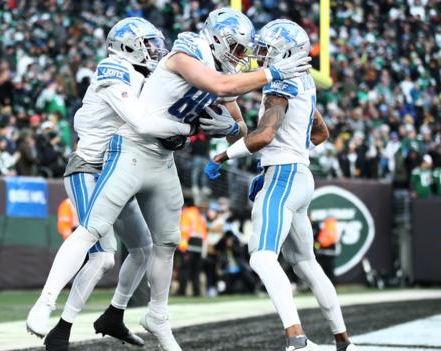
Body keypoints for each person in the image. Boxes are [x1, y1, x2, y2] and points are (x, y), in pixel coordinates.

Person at [87, 8, 309, 351]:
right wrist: (273, 71)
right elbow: (220, 85)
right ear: (218, 39)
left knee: (164, 242)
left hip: (163, 155)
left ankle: (153, 316)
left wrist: (231, 128)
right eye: (236, 48)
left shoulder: (223, 69)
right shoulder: (192, 51)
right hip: (132, 145)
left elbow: (241, 126)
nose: (239, 57)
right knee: (101, 236)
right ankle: (59, 315)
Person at [26, 18, 194, 351]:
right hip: (90, 167)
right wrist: (189, 129)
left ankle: (114, 315)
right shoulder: (112, 69)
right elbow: (143, 123)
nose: (155, 51)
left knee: (144, 249)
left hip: (121, 168)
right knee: (103, 256)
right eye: (148, 44)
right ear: (127, 46)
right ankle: (54, 318)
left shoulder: (148, 77)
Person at [204, 20, 357, 351]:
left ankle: (296, 339)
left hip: (283, 176)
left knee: (261, 256)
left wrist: (222, 156)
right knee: (306, 264)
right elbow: (320, 133)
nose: (261, 57)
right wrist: (292, 151)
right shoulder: (305, 82)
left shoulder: (280, 85)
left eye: (267, 52)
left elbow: (266, 135)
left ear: (288, 52)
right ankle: (343, 341)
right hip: (301, 175)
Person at [177, 198, 207, 297]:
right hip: (199, 246)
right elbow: (204, 233)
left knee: (185, 269)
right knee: (196, 271)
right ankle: (197, 292)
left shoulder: (186, 214)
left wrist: (182, 247)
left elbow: (184, 230)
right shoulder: (199, 216)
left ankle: (181, 291)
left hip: (189, 245)